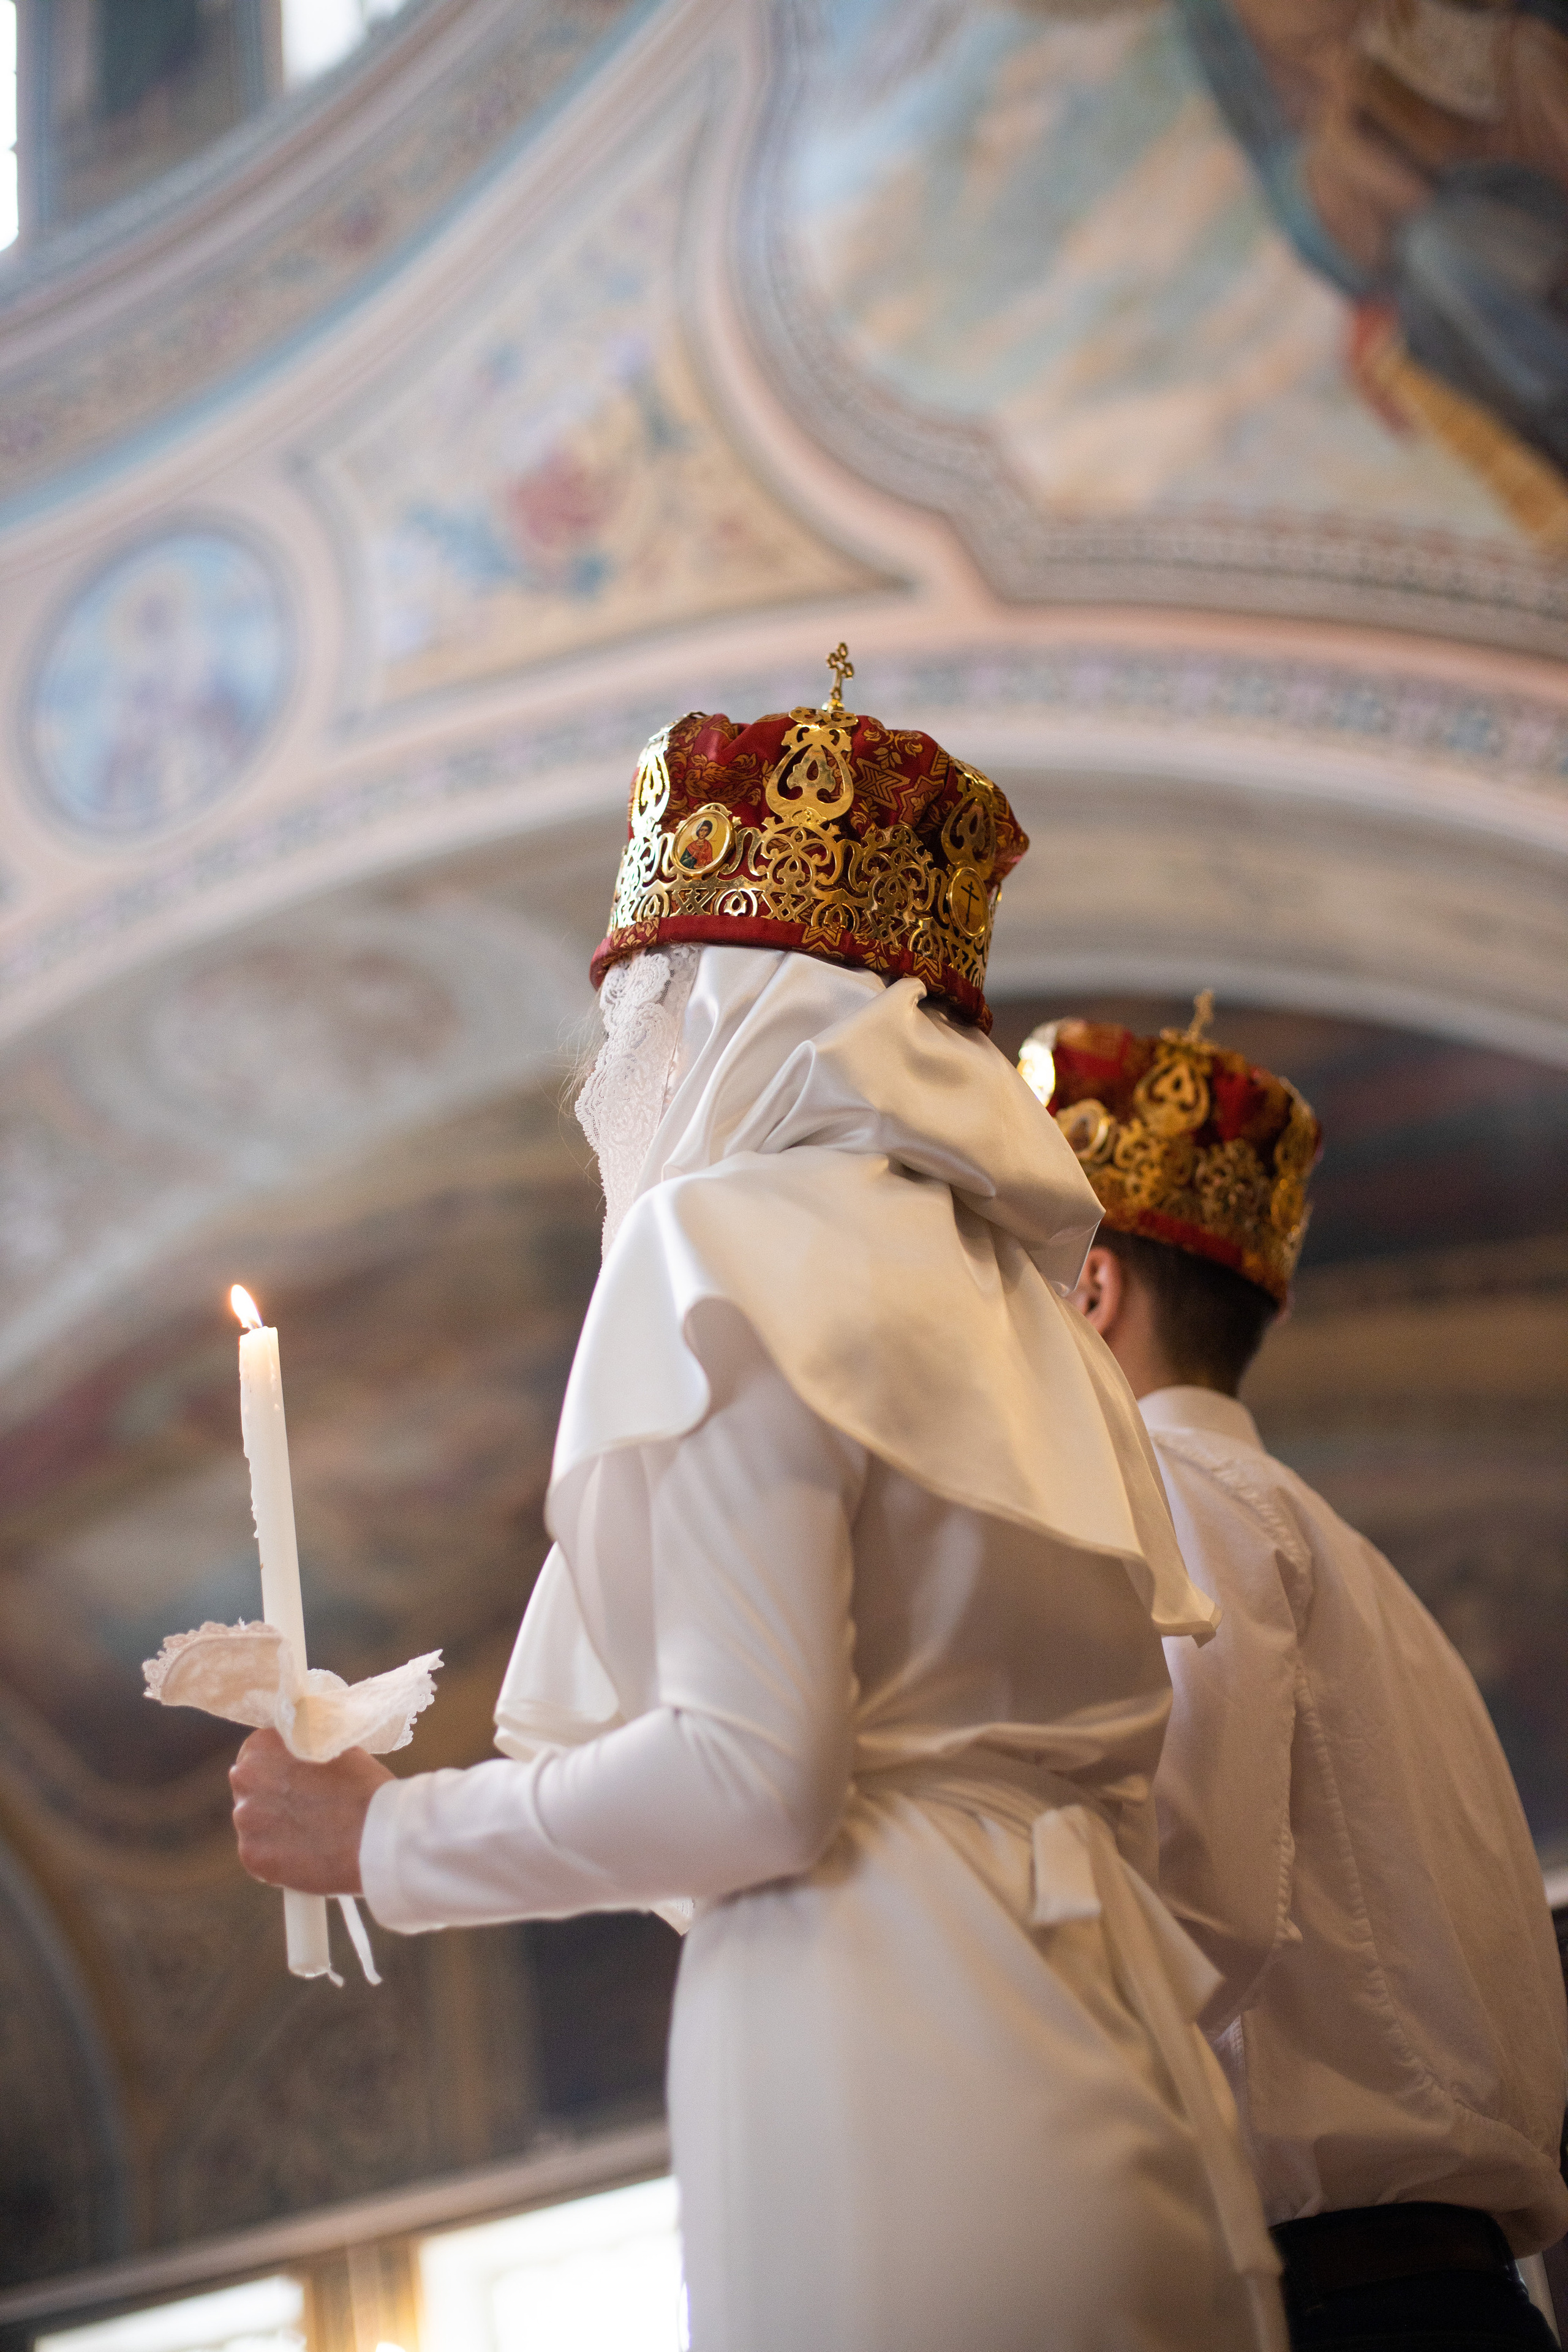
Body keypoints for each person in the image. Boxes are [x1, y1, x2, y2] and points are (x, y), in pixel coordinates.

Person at [228, 668, 1287, 2352]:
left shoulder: (722, 1246)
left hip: (889, 2058)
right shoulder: (1015, 1302)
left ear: (717, 1009)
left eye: (637, 1015)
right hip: (1111, 2054)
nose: (615, 1078)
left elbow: (753, 1781)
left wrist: (385, 1839)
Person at [1022, 997, 1568, 2350]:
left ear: (1089, 1292)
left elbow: (1186, 1913)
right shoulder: (1342, 1556)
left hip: (1336, 2300)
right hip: (1420, 2290)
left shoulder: (1173, 1504)